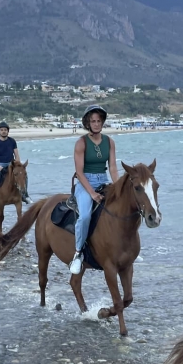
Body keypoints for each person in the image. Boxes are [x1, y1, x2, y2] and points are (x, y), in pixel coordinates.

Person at [70, 105, 119, 275]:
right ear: (87, 123)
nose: (96, 124)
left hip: (103, 180)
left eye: (99, 121)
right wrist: (91, 193)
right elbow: (79, 172)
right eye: (93, 121)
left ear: (103, 122)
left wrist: (118, 187)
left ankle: (124, 246)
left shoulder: (109, 142)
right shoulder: (81, 143)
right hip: (85, 183)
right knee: (85, 216)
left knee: (123, 207)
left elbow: (112, 167)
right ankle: (77, 254)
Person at [0, 121, 28, 206]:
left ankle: (25, 195)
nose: (3, 131)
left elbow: (16, 155)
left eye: (5, 130)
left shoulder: (12, 141)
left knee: (24, 175)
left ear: (8, 131)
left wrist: (18, 165)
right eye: (2, 130)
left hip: (11, 164)